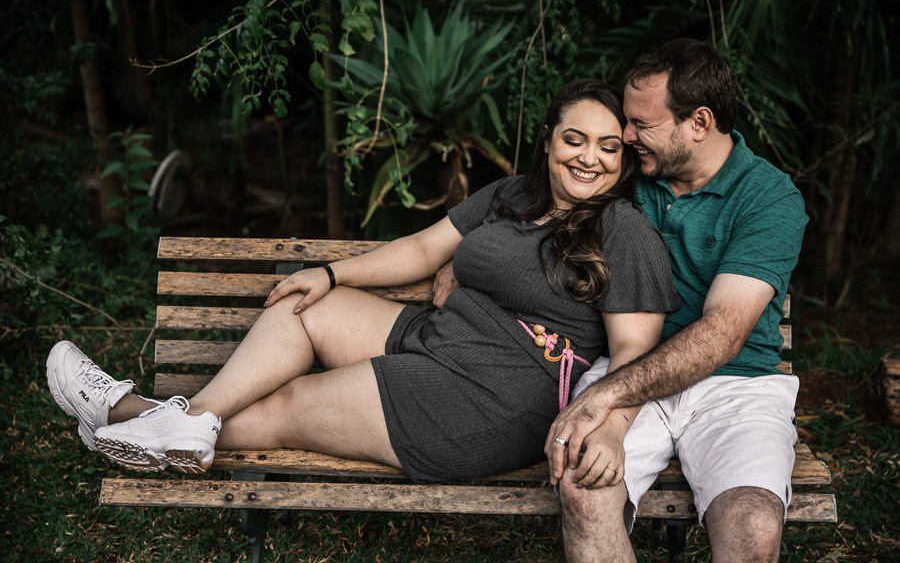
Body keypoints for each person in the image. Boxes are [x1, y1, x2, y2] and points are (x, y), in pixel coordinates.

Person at [46, 79, 681, 482]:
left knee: (293, 404)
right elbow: (423, 247)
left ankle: (128, 412)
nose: (589, 159)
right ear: (548, 140)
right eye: (575, 139)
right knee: (304, 307)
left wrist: (610, 427)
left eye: (607, 147)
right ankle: (185, 421)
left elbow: (633, 354)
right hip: (442, 337)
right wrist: (327, 272)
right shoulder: (513, 193)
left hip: (502, 394)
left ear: (623, 159)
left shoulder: (623, 232)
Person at [543, 40, 808, 562]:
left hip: (738, 388)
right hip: (630, 359)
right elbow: (535, 204)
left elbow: (722, 334)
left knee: (753, 531)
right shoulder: (629, 175)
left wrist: (605, 398)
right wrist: (462, 255)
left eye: (642, 123)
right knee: (581, 482)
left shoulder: (768, 198)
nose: (625, 135)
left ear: (699, 122)